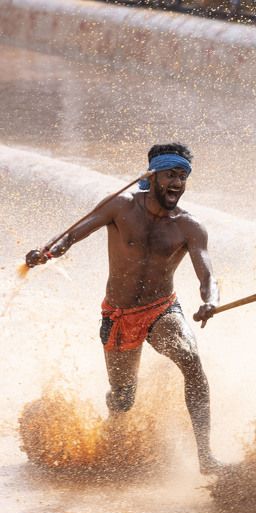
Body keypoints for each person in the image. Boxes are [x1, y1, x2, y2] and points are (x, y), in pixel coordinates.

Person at [24, 143, 221, 475]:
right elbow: (72, 235)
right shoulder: (120, 207)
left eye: (183, 176)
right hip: (119, 315)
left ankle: (205, 456)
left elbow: (208, 275)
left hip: (162, 310)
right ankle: (113, 441)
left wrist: (209, 301)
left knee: (192, 362)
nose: (177, 183)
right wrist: (47, 253)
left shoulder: (189, 227)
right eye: (171, 175)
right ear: (152, 176)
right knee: (122, 397)